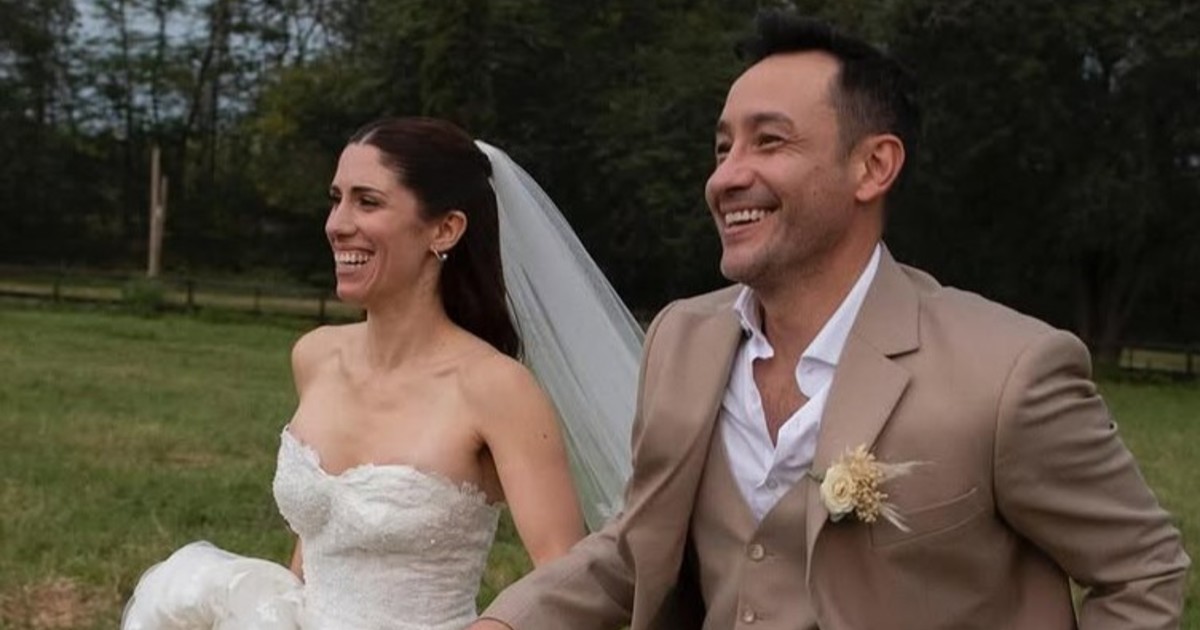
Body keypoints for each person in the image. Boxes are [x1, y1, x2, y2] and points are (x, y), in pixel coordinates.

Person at [472, 10, 1190, 630]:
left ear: (873, 167)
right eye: (723, 147)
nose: (726, 177)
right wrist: (506, 621)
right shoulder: (679, 341)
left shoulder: (1008, 372)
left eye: (769, 142)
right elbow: (638, 546)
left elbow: (1143, 571)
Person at [122, 117, 637, 629]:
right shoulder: (316, 356)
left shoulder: (496, 389)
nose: (337, 223)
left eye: (367, 202)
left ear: (445, 229)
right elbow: (321, 539)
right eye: (336, 199)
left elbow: (568, 582)